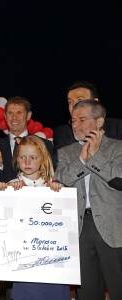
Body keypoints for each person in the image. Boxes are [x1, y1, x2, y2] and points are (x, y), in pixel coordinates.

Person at [55, 100, 122, 300]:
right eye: (73, 120)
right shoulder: (66, 152)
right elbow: (61, 179)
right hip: (80, 228)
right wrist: (83, 160)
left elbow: (119, 179)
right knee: (88, 291)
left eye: (82, 120)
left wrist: (95, 156)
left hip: (113, 227)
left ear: (99, 121)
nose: (75, 125)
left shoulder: (118, 147)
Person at [0, 135, 70, 300]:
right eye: (23, 157)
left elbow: (64, 222)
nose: (27, 162)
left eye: (33, 157)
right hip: (25, 262)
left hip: (52, 260)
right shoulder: (12, 186)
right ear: (16, 160)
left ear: (42, 159)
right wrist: (5, 191)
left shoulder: (53, 186)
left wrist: (61, 191)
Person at [53, 81, 122, 164]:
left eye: (80, 99)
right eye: (70, 101)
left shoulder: (118, 128)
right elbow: (58, 167)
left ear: (95, 102)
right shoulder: (62, 133)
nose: (74, 105)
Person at [0, 96, 53, 183]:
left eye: (19, 113)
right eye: (10, 113)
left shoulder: (45, 145)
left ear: (28, 116)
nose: (14, 117)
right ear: (5, 116)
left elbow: (51, 177)